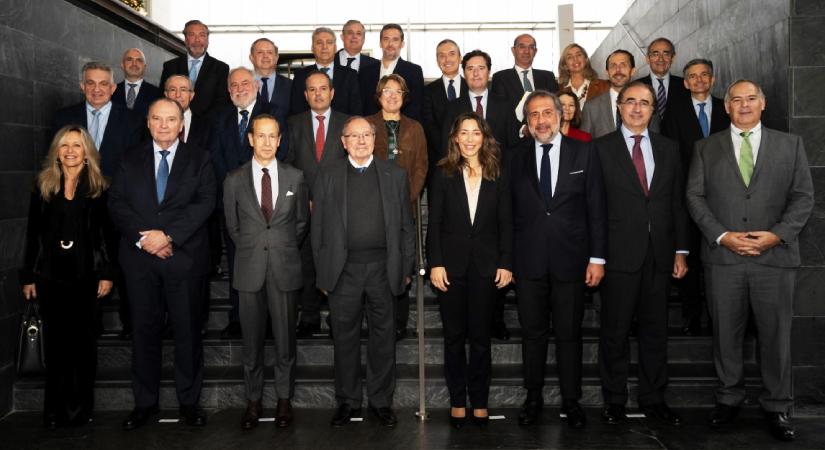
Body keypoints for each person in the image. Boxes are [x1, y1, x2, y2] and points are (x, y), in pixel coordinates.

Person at [686, 79, 814, 442]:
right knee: (726, 335)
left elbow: (803, 197)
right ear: (725, 107)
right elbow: (694, 197)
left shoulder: (790, 145)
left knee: (776, 337)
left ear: (763, 103)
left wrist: (777, 234)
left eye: (751, 99)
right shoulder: (704, 148)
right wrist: (723, 236)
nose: (743, 105)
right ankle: (728, 399)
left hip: (774, 256)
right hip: (724, 258)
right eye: (736, 100)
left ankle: (778, 406)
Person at [109, 98, 216, 431]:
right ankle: (144, 404)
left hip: (183, 260)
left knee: (187, 334)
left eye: (171, 119)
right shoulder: (128, 159)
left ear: (181, 124)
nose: (164, 125)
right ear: (148, 122)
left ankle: (189, 403)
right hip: (140, 261)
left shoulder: (200, 159)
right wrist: (145, 240)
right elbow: (117, 204)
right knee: (143, 334)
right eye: (157, 119)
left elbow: (205, 203)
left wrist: (168, 236)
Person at [509, 90, 607, 429]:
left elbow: (596, 208)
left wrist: (597, 258)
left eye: (547, 113)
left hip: (572, 262)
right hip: (528, 263)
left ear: (560, 115)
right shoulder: (514, 156)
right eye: (534, 115)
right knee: (532, 335)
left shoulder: (585, 151)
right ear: (527, 121)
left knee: (569, 335)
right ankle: (532, 398)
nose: (541, 120)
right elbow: (506, 215)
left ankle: (571, 400)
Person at [594, 81, 689, 426]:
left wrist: (680, 250)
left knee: (655, 332)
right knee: (614, 332)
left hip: (660, 256)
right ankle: (614, 400)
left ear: (653, 109)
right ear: (619, 107)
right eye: (630, 102)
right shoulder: (600, 149)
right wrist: (597, 256)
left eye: (645, 103)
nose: (637, 108)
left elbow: (676, 202)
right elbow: (595, 207)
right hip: (618, 256)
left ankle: (654, 398)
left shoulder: (668, 148)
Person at [312, 116, 415, 428]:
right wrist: (323, 273)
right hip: (343, 271)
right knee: (344, 339)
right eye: (353, 136)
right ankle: (346, 402)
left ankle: (381, 402)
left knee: (383, 339)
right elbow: (317, 231)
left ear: (375, 139)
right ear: (343, 142)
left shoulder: (395, 175)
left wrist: (405, 268)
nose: (360, 141)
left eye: (366, 135)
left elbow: (406, 227)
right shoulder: (328, 175)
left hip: (383, 269)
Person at [20, 125, 115, 429]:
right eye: (65, 146)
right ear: (56, 152)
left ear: (86, 152)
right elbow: (33, 234)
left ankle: (80, 409)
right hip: (50, 278)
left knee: (83, 346)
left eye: (77, 145)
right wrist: (29, 276)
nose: (71, 151)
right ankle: (54, 411)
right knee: (57, 346)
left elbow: (105, 236)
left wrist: (106, 274)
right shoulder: (43, 185)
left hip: (86, 277)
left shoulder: (100, 187)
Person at [223, 114, 308, 429]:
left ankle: (284, 401)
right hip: (249, 270)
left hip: (284, 269)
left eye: (273, 136)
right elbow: (232, 227)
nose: (268, 142)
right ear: (250, 139)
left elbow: (300, 223)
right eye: (261, 136)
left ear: (280, 139)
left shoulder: (295, 177)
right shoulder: (233, 179)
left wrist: (280, 246)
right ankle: (254, 401)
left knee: (285, 341)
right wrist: (255, 248)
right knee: (252, 342)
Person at [428, 112, 512, 428]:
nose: (469, 139)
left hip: (487, 267)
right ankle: (457, 401)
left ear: (484, 137)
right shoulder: (443, 173)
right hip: (450, 266)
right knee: (453, 338)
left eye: (475, 133)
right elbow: (434, 222)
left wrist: (506, 262)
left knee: (480, 338)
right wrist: (434, 262)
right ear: (455, 138)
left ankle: (479, 401)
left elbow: (506, 221)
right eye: (463, 133)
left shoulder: (498, 172)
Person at [53, 61, 143, 341]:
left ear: (114, 88)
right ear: (82, 86)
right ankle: (92, 324)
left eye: (103, 83)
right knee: (83, 266)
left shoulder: (132, 120)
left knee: (124, 265)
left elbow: (136, 165)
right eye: (90, 83)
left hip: (118, 206)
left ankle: (130, 324)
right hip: (76, 208)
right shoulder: (64, 118)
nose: (97, 89)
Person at [211, 67, 288, 338]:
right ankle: (238, 317)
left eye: (245, 83)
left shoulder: (274, 111)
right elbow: (215, 157)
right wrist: (234, 186)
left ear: (256, 85)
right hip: (233, 202)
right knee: (236, 260)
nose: (240, 88)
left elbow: (281, 150)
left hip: (267, 200)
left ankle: (268, 318)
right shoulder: (220, 116)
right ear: (228, 89)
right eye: (234, 85)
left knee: (269, 262)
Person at [662, 58, 730, 335]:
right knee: (688, 256)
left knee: (719, 259)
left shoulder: (727, 110)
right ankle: (692, 316)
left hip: (723, 195)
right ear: (686, 82)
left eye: (705, 75)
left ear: (712, 79)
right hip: (687, 194)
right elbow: (671, 154)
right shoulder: (674, 112)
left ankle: (719, 317)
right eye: (693, 76)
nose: (699, 80)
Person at [286, 71, 350, 338]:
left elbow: (352, 166)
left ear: (332, 92)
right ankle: (309, 317)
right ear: (305, 95)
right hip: (305, 208)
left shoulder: (348, 123)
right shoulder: (293, 124)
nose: (318, 94)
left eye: (323, 88)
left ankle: (339, 318)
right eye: (312, 90)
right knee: (307, 264)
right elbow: (288, 166)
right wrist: (304, 199)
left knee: (338, 264)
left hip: (339, 208)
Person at [366, 74, 428, 340]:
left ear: (404, 97)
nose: (392, 96)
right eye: (387, 91)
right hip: (371, 208)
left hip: (405, 208)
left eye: (398, 92)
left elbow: (421, 167)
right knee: (375, 266)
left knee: (401, 265)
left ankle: (400, 322)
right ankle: (376, 321)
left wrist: (406, 200)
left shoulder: (415, 128)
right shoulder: (366, 125)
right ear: (378, 96)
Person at [581, 49, 660, 138]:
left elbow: (655, 140)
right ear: (607, 72)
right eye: (613, 66)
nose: (618, 70)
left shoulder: (648, 103)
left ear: (633, 71)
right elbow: (584, 145)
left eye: (623, 65)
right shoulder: (591, 107)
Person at [160, 19, 230, 118]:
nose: (197, 40)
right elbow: (162, 98)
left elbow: (222, 102)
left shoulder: (221, 68)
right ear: (186, 40)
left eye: (202, 35)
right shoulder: (170, 66)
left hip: (208, 126)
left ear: (207, 40)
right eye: (192, 35)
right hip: (175, 122)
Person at [290, 27, 362, 115]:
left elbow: (356, 110)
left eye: (329, 42)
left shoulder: (350, 75)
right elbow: (296, 110)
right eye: (319, 43)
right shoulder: (300, 76)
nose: (324, 47)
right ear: (312, 48)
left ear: (335, 48)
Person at [360, 23, 425, 121]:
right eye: (386, 39)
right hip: (370, 129)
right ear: (380, 43)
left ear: (402, 44)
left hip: (402, 130)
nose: (390, 44)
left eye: (395, 39)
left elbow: (416, 106)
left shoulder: (414, 71)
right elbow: (362, 105)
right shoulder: (366, 72)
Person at [423, 39, 467, 173]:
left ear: (460, 58)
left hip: (470, 157)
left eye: (452, 54)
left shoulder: (471, 88)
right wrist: (448, 149)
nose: (446, 59)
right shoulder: (427, 91)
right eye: (441, 55)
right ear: (437, 61)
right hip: (439, 160)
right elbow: (428, 124)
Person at [491, 34, 559, 112]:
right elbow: (500, 110)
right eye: (522, 47)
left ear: (535, 51)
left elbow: (556, 107)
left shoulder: (548, 77)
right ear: (513, 50)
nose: (526, 51)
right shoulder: (500, 78)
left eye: (531, 47)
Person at [637, 37, 689, 122]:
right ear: (647, 59)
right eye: (655, 54)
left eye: (666, 54)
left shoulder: (685, 85)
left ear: (673, 58)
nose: (661, 59)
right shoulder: (636, 86)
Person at [249, 38, 292, 129]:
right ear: (251, 58)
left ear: (276, 58)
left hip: (284, 141)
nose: (265, 56)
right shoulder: (242, 87)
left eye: (270, 52)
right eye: (260, 52)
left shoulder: (291, 86)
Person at [556, 43, 610, 108]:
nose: (575, 59)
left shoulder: (604, 86)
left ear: (585, 59)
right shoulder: (558, 89)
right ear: (565, 65)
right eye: (570, 57)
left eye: (578, 55)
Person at [113, 48, 161, 117]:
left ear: (144, 66)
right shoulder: (111, 92)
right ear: (122, 65)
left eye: (139, 60)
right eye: (129, 59)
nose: (134, 63)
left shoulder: (157, 94)